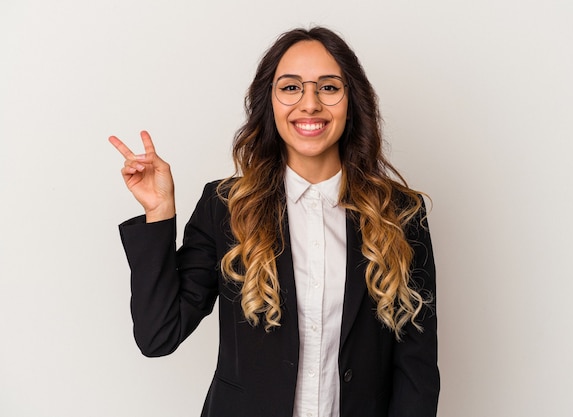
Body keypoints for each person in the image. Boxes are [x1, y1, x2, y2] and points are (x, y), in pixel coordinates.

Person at [109, 27, 439, 417]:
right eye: (291, 87)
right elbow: (158, 335)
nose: (310, 104)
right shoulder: (226, 208)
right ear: (270, 101)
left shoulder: (399, 213)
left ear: (352, 102)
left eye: (329, 87)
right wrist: (159, 212)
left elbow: (416, 369)